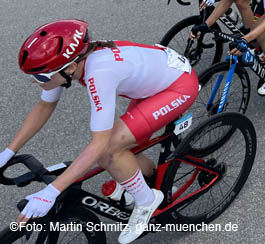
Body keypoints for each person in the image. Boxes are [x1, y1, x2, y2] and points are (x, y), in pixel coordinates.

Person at [2, 20, 198, 244]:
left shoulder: (99, 73)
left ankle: (147, 202)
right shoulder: (69, 63)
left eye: (40, 77)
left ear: (70, 68)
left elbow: (99, 145)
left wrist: (52, 191)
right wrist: (8, 152)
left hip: (178, 86)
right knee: (124, 147)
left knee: (109, 151)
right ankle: (152, 182)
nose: (34, 81)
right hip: (154, 82)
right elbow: (44, 107)